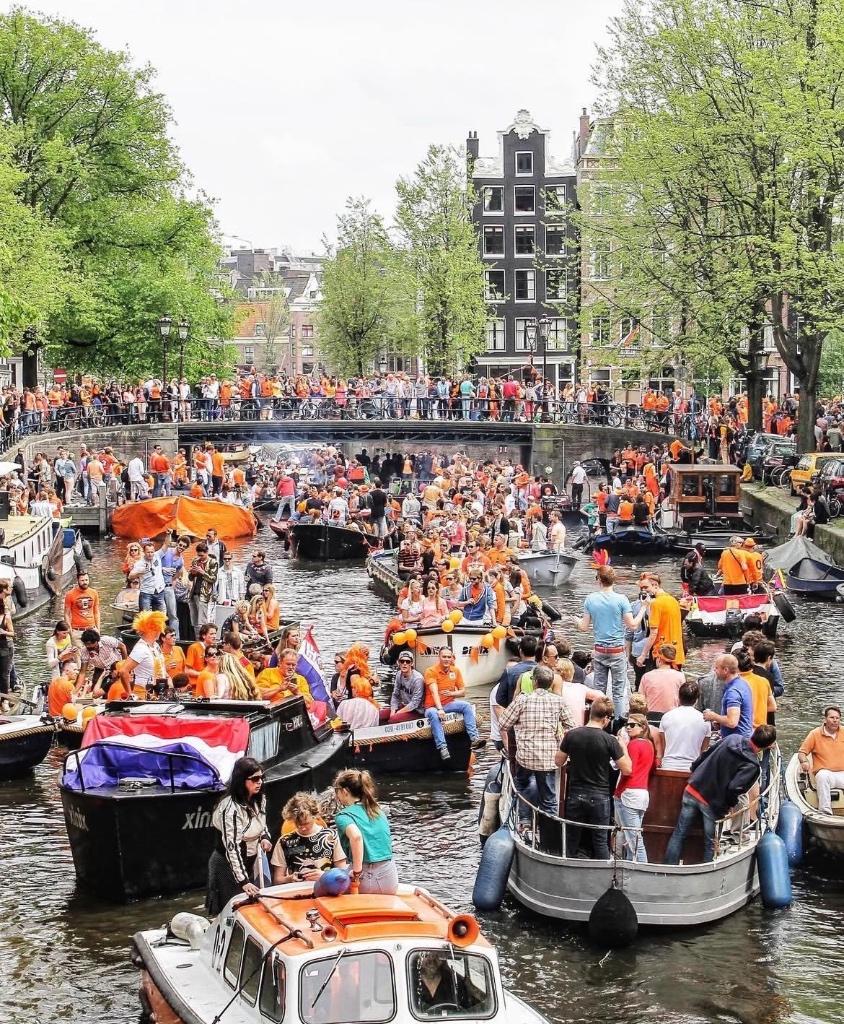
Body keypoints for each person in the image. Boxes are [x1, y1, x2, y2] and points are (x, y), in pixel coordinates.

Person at [664, 725, 777, 864]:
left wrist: (694, 769)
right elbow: (735, 788)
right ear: (768, 745)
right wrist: (729, 806)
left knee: (679, 833)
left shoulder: (732, 739)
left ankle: (669, 866)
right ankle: (705, 873)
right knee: (711, 842)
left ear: (754, 734)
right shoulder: (752, 765)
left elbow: (706, 754)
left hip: (693, 789)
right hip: (712, 804)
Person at [499, 664, 575, 829]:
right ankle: (551, 831)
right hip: (549, 758)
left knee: (523, 784)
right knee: (549, 797)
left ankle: (524, 821)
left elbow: (503, 723)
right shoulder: (558, 701)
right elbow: (571, 726)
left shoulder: (522, 700)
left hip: (525, 757)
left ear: (534, 682)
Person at [555, 697, 632, 859]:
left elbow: (558, 761)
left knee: (571, 840)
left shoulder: (572, 735)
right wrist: (623, 747)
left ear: (590, 713)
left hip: (575, 794)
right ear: (606, 719)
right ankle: (602, 876)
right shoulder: (609, 740)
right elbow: (627, 769)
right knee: (600, 841)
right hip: (600, 796)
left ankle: (567, 870)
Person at [577, 566, 646, 720]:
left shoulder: (590, 599)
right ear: (613, 580)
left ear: (599, 580)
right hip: (617, 650)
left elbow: (583, 627)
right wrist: (643, 608)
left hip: (600, 650)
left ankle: (597, 721)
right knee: (618, 691)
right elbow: (633, 625)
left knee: (599, 691)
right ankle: (618, 723)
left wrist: (575, 620)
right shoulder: (621, 599)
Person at [206, 756, 272, 915]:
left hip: (250, 859)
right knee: (231, 911)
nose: (260, 782)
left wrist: (264, 837)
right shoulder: (230, 810)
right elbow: (232, 847)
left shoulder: (260, 799)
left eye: (262, 777)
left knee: (254, 906)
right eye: (255, 779)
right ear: (242, 780)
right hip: (227, 865)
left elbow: (261, 823)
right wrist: (243, 881)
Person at [333, 769, 398, 894]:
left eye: (337, 791)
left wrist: (356, 873)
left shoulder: (343, 816)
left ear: (345, 792)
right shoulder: (377, 810)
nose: (336, 796)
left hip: (365, 877)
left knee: (327, 887)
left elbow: (356, 837)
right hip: (389, 876)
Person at [423, 647, 486, 761]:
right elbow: (434, 692)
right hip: (432, 706)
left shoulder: (455, 671)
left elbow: (463, 692)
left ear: (452, 658)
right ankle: (442, 747)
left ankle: (474, 738)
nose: (446, 659)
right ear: (439, 657)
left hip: (449, 703)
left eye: (449, 657)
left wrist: (452, 693)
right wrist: (440, 709)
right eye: (444, 657)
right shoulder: (431, 671)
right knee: (433, 714)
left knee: (466, 706)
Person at [270, 792, 347, 884]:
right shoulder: (284, 841)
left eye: (306, 823)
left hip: (327, 890)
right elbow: (277, 880)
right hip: (298, 892)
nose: (302, 827)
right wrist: (289, 879)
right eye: (298, 824)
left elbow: (342, 875)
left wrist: (324, 875)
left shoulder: (331, 836)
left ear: (315, 816)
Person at [613, 713, 655, 862]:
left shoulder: (634, 744)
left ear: (642, 727)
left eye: (632, 725)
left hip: (628, 793)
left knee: (634, 840)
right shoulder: (650, 745)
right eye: (627, 725)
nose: (628, 728)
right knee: (633, 839)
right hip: (642, 793)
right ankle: (634, 870)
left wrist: (623, 747)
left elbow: (627, 770)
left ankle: (643, 871)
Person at [797, 706, 844, 815]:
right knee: (822, 776)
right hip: (826, 774)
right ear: (825, 719)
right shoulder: (815, 734)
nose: (835, 720)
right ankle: (825, 811)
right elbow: (802, 753)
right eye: (832, 717)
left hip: (842, 773)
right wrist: (804, 762)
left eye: (837, 718)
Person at [655, 680, 710, 770]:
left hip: (668, 766)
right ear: (696, 700)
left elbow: (664, 746)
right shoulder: (705, 720)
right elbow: (703, 751)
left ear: (679, 697)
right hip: (692, 768)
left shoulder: (666, 716)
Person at [637, 572, 685, 671]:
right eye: (641, 588)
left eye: (646, 587)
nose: (644, 591)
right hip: (676, 653)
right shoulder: (674, 601)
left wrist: (643, 655)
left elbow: (653, 633)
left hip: (662, 655)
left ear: (655, 585)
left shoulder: (656, 604)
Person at [702, 653, 754, 739]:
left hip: (736, 742)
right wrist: (721, 722)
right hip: (744, 736)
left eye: (716, 668)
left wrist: (713, 716)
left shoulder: (733, 692)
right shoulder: (743, 683)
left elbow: (732, 722)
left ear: (725, 670)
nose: (714, 670)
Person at [121, 610, 168, 697]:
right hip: (143, 693)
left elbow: (161, 667)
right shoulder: (140, 649)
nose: (161, 632)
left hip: (159, 692)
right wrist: (129, 693)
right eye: (159, 628)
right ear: (153, 629)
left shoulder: (156, 645)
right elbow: (123, 671)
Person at [639, 643, 684, 714]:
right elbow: (683, 701)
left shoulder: (646, 676)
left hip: (651, 717)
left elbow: (640, 700)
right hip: (672, 716)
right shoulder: (680, 676)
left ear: (659, 659)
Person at [388, 651, 426, 723]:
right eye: (402, 661)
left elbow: (415, 703)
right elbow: (395, 695)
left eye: (407, 661)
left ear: (411, 664)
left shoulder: (418, 679)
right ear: (398, 663)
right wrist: (393, 711)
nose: (404, 664)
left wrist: (398, 713)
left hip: (416, 711)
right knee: (380, 715)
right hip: (404, 706)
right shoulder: (399, 674)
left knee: (394, 719)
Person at [63, 572, 100, 639]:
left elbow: (96, 612)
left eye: (86, 580)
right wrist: (70, 631)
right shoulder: (70, 594)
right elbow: (66, 614)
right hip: (77, 631)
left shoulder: (94, 593)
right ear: (78, 581)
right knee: (78, 649)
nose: (85, 582)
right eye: (82, 580)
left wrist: (98, 629)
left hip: (92, 629)